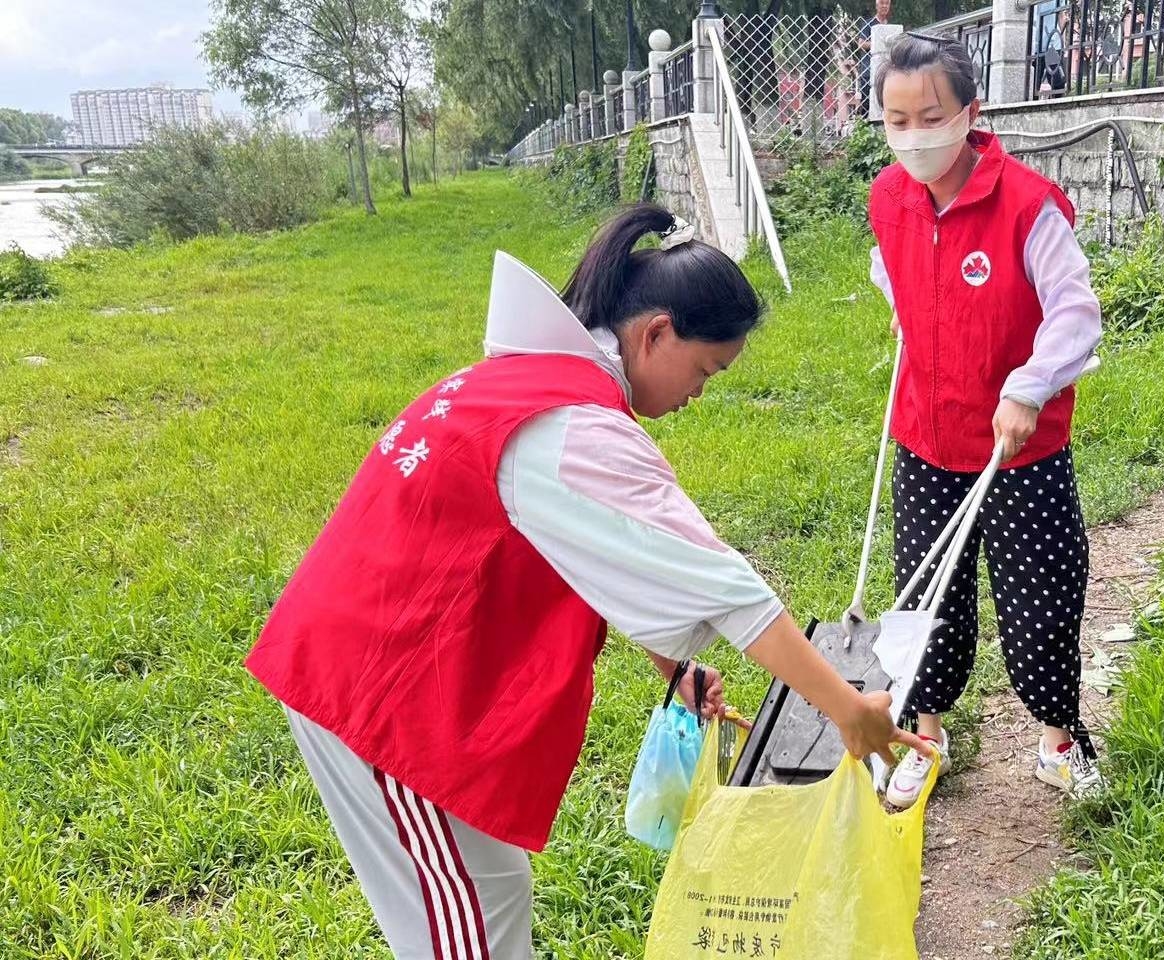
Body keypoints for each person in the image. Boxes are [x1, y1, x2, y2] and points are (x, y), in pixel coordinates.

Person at [245, 204, 928, 959]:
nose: (700, 393)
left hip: (373, 661)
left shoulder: (524, 381)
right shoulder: (576, 428)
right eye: (706, 369)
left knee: (486, 894)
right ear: (655, 333)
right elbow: (726, 589)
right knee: (463, 935)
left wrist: (675, 665)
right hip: (378, 697)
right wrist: (845, 709)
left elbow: (588, 550)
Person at [865, 34, 1105, 809]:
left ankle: (1059, 742)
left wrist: (1029, 386)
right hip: (925, 439)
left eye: (929, 117)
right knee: (925, 595)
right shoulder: (888, 198)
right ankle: (924, 735)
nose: (913, 137)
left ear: (972, 111)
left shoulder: (1028, 205)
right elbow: (892, 272)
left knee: (1041, 592)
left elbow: (1074, 311)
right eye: (895, 121)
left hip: (1017, 447)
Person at [856, 0, 894, 117]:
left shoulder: (891, 27)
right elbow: (861, 44)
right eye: (882, 3)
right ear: (877, 6)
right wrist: (877, 43)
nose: (884, 6)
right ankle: (865, 127)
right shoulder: (869, 24)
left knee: (885, 102)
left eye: (887, 3)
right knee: (868, 104)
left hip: (886, 70)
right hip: (869, 71)